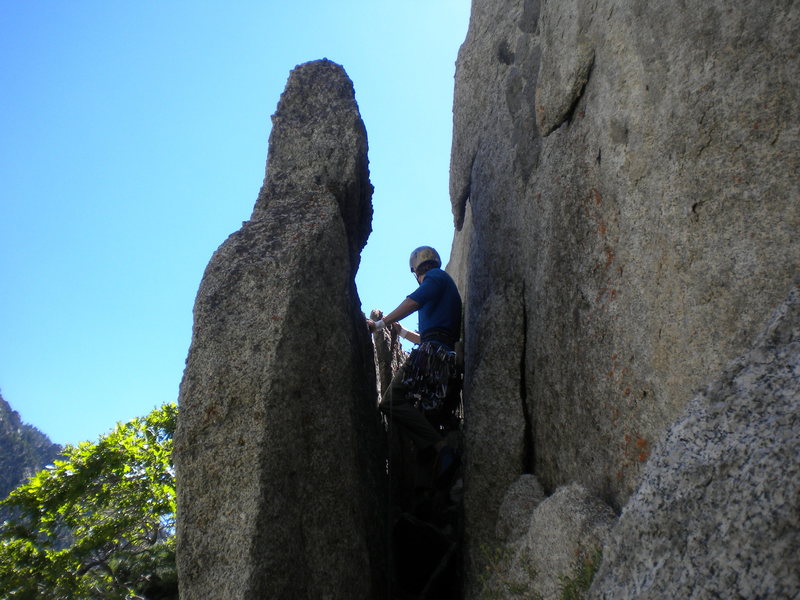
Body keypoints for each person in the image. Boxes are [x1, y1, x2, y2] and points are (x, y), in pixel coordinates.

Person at [367, 246, 462, 483]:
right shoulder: (446, 287)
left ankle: (440, 448)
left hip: (433, 356)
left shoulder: (434, 277)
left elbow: (414, 301)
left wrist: (381, 324)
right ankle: (435, 455)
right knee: (420, 409)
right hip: (442, 355)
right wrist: (402, 332)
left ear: (415, 270)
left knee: (390, 401)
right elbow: (434, 336)